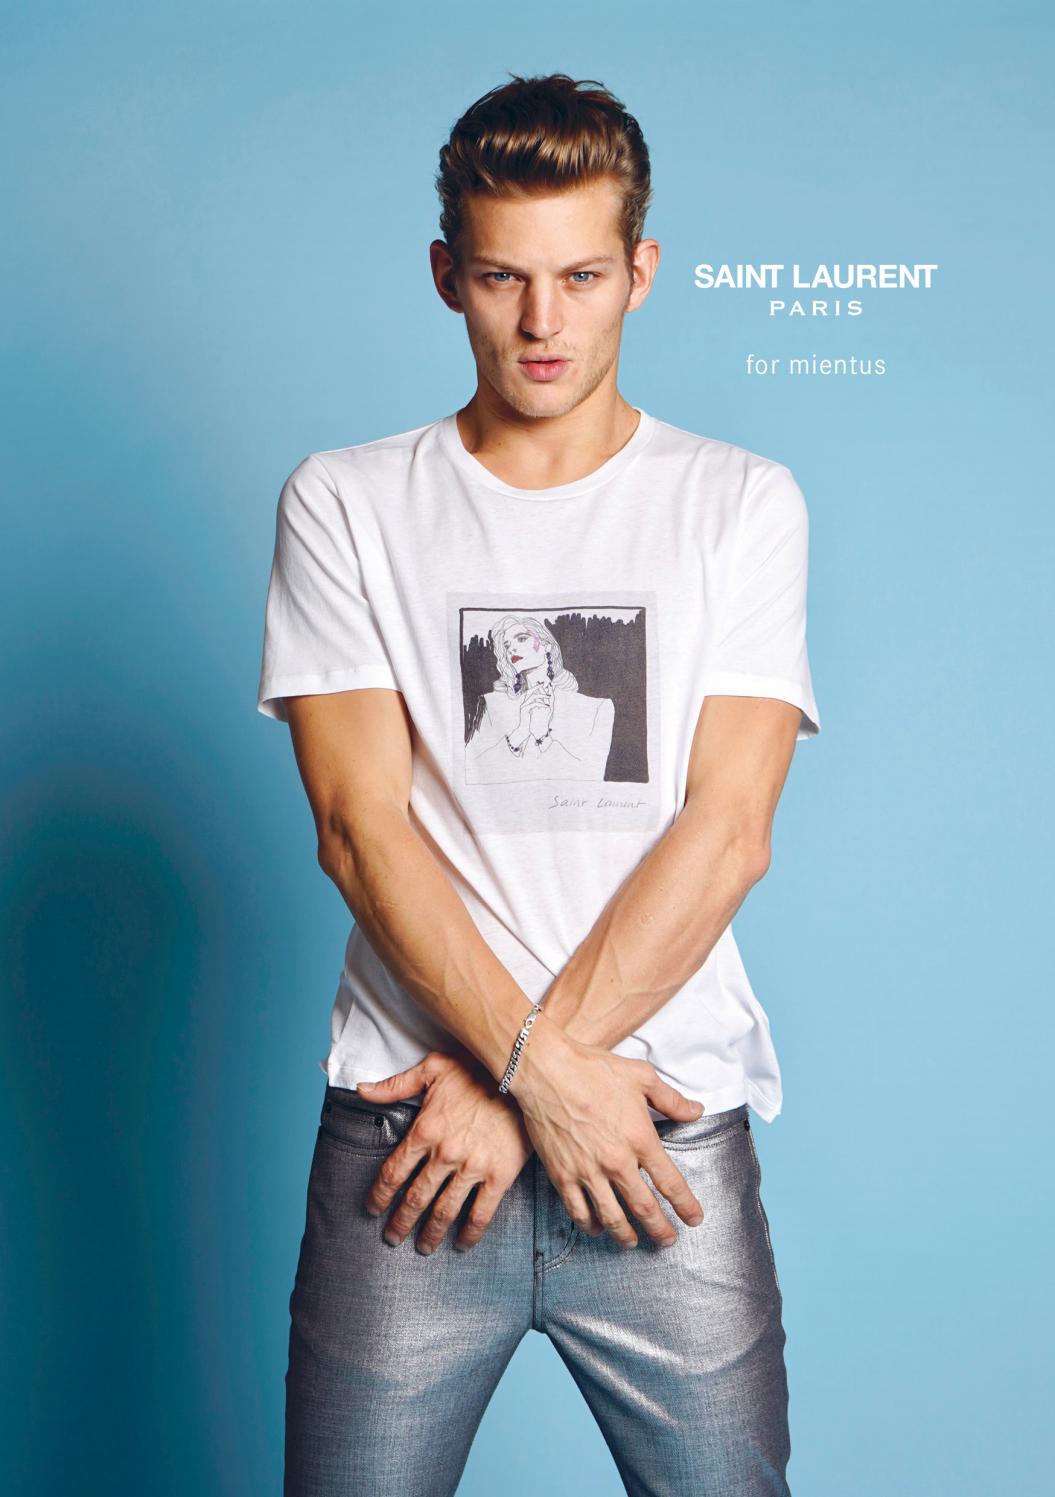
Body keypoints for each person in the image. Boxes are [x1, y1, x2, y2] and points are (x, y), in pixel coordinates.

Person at [257, 70, 821, 1497]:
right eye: (504, 277)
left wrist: (521, 1085)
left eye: (580, 276)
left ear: (641, 270)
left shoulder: (740, 503)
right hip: (412, 1157)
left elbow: (729, 832)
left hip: (654, 1138)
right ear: (447, 274)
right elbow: (358, 828)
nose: (543, 322)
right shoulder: (347, 501)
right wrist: (541, 1079)